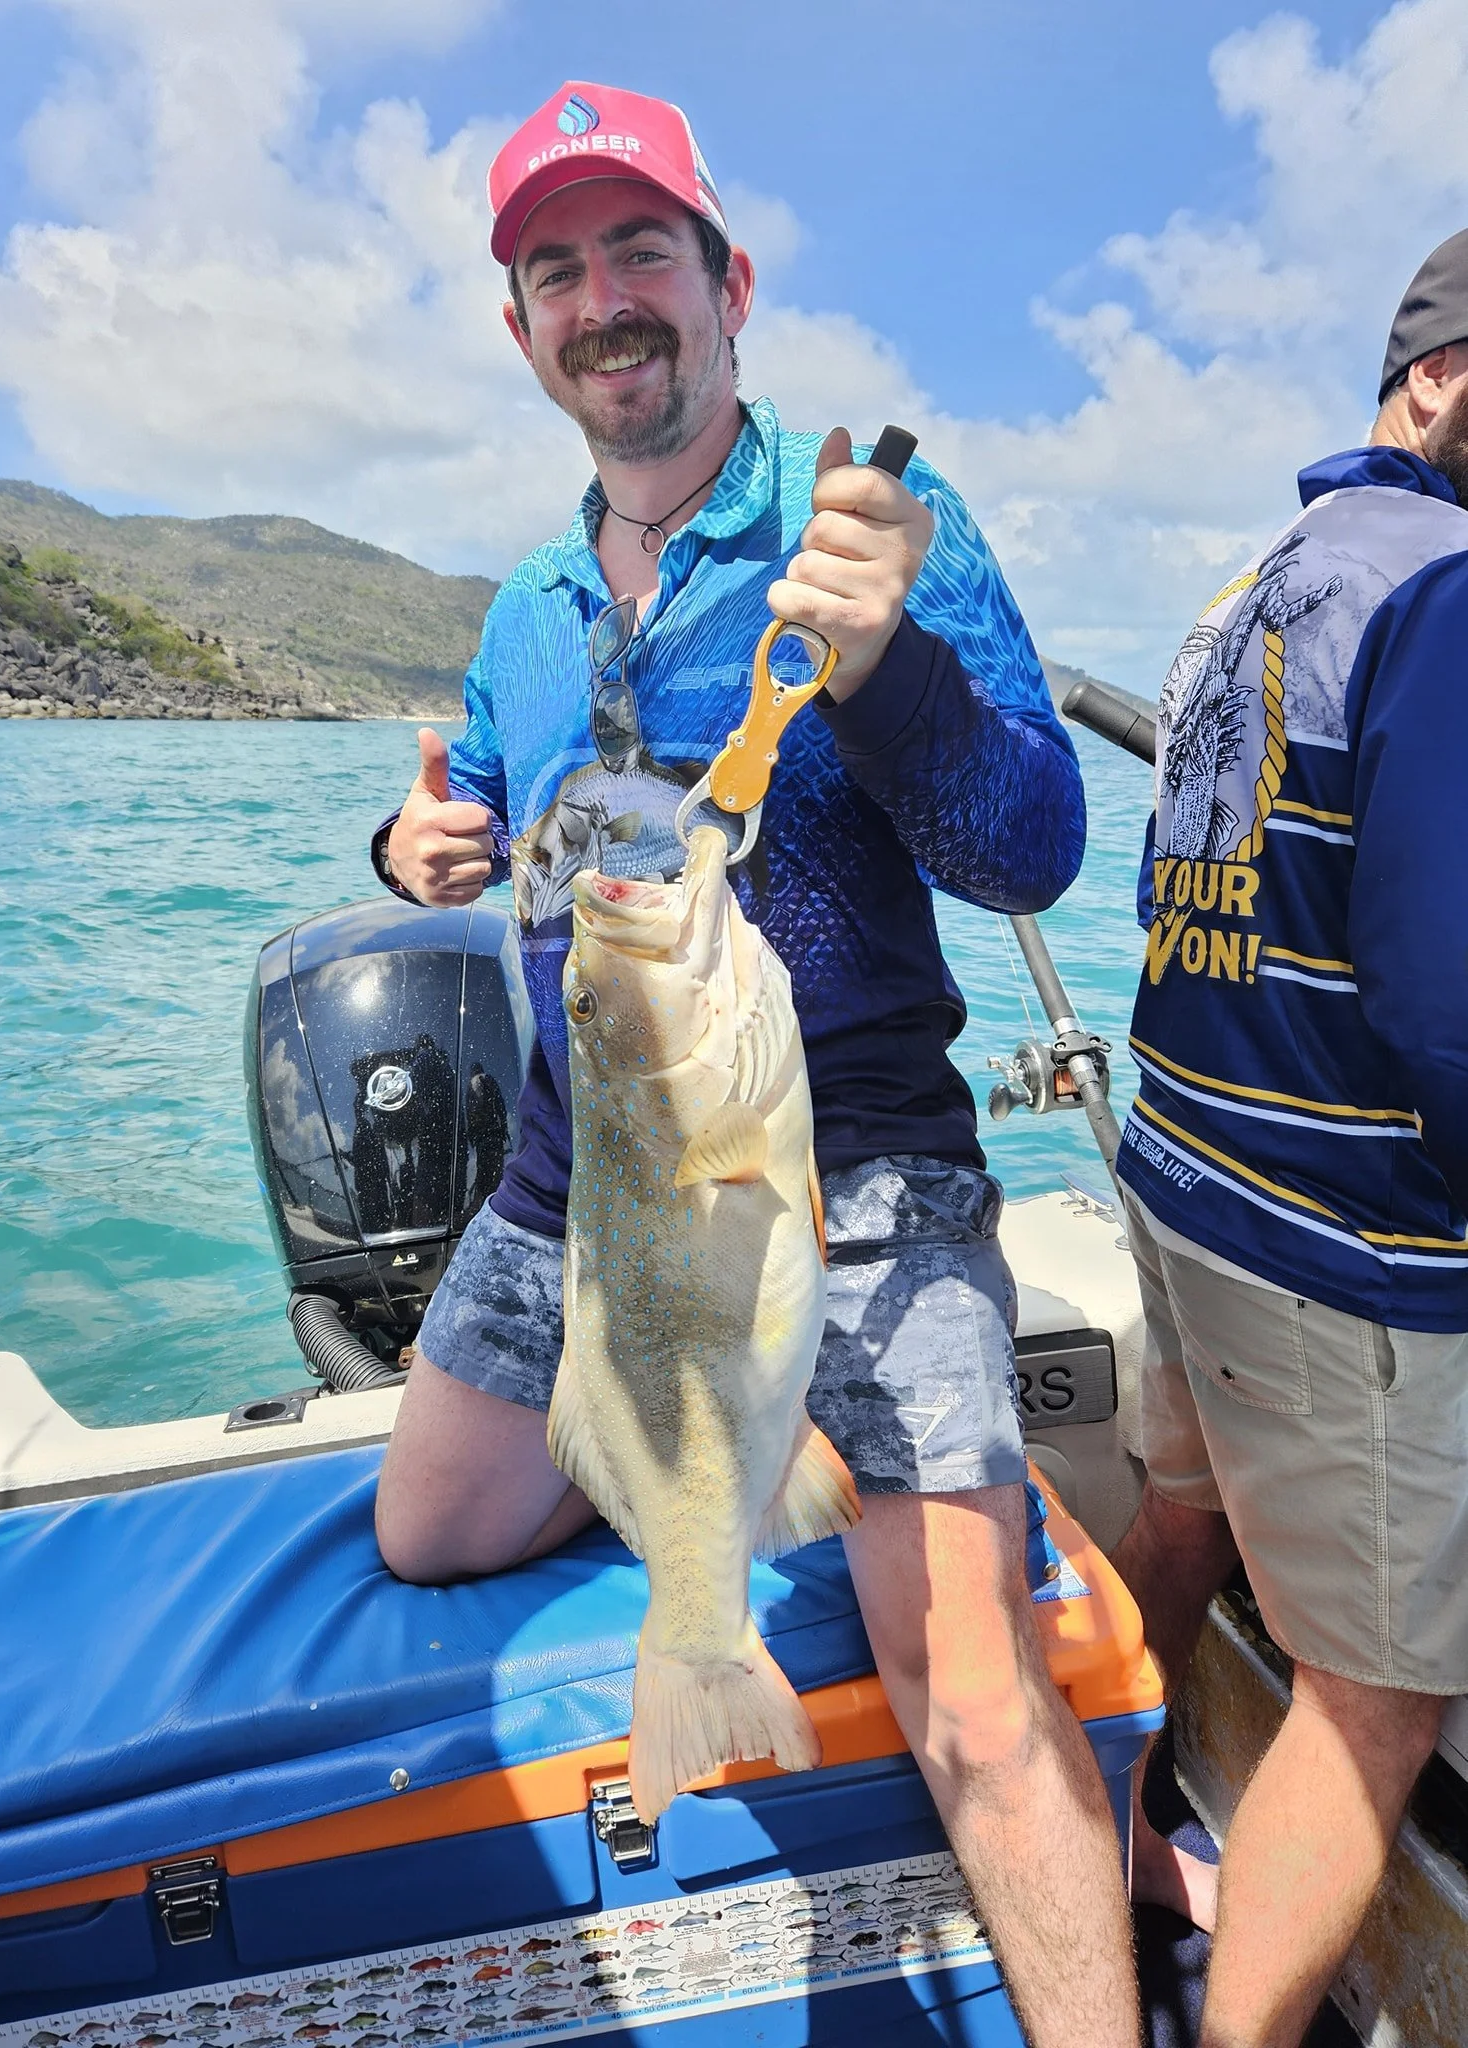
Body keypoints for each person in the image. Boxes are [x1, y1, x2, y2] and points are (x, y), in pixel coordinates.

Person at [370, 82, 1138, 2047]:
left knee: (970, 1689)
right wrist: (416, 849)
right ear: (521, 324)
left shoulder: (868, 528)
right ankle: (734, 1443)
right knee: (425, 1526)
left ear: (730, 282)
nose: (601, 299)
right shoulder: (529, 617)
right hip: (579, 1178)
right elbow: (520, 828)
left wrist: (895, 675)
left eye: (641, 251)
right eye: (557, 268)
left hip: (851, 1173)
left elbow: (1030, 848)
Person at [1111, 227, 1468, 2047]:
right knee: (1378, 1700)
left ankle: (1140, 1786)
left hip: (1180, 1178)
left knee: (1179, 1499)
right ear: (1436, 380)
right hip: (1343, 1250)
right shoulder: (1447, 588)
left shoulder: (1252, 581)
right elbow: (1440, 1001)